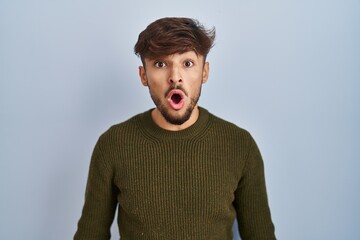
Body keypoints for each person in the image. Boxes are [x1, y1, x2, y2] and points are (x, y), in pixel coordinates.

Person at [74, 17, 276, 240]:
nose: (175, 77)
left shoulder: (240, 145)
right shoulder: (113, 144)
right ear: (144, 76)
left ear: (204, 72)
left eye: (187, 63)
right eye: (160, 64)